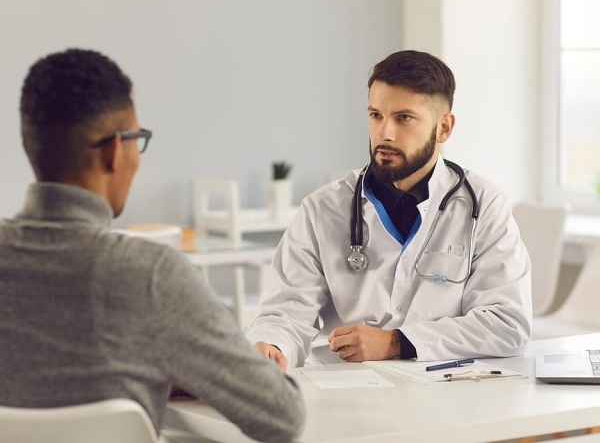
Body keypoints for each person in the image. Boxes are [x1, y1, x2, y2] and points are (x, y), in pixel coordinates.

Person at [0, 48, 304, 442]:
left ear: (28, 146)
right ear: (114, 150)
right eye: (137, 139)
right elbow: (281, 417)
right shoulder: (151, 275)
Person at [247, 49, 532, 371]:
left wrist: (397, 342)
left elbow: (508, 324)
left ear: (444, 128)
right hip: (350, 388)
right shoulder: (322, 209)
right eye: (375, 115)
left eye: (403, 118)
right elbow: (286, 311)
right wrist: (273, 345)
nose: (385, 133)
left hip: (446, 388)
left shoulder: (484, 205)